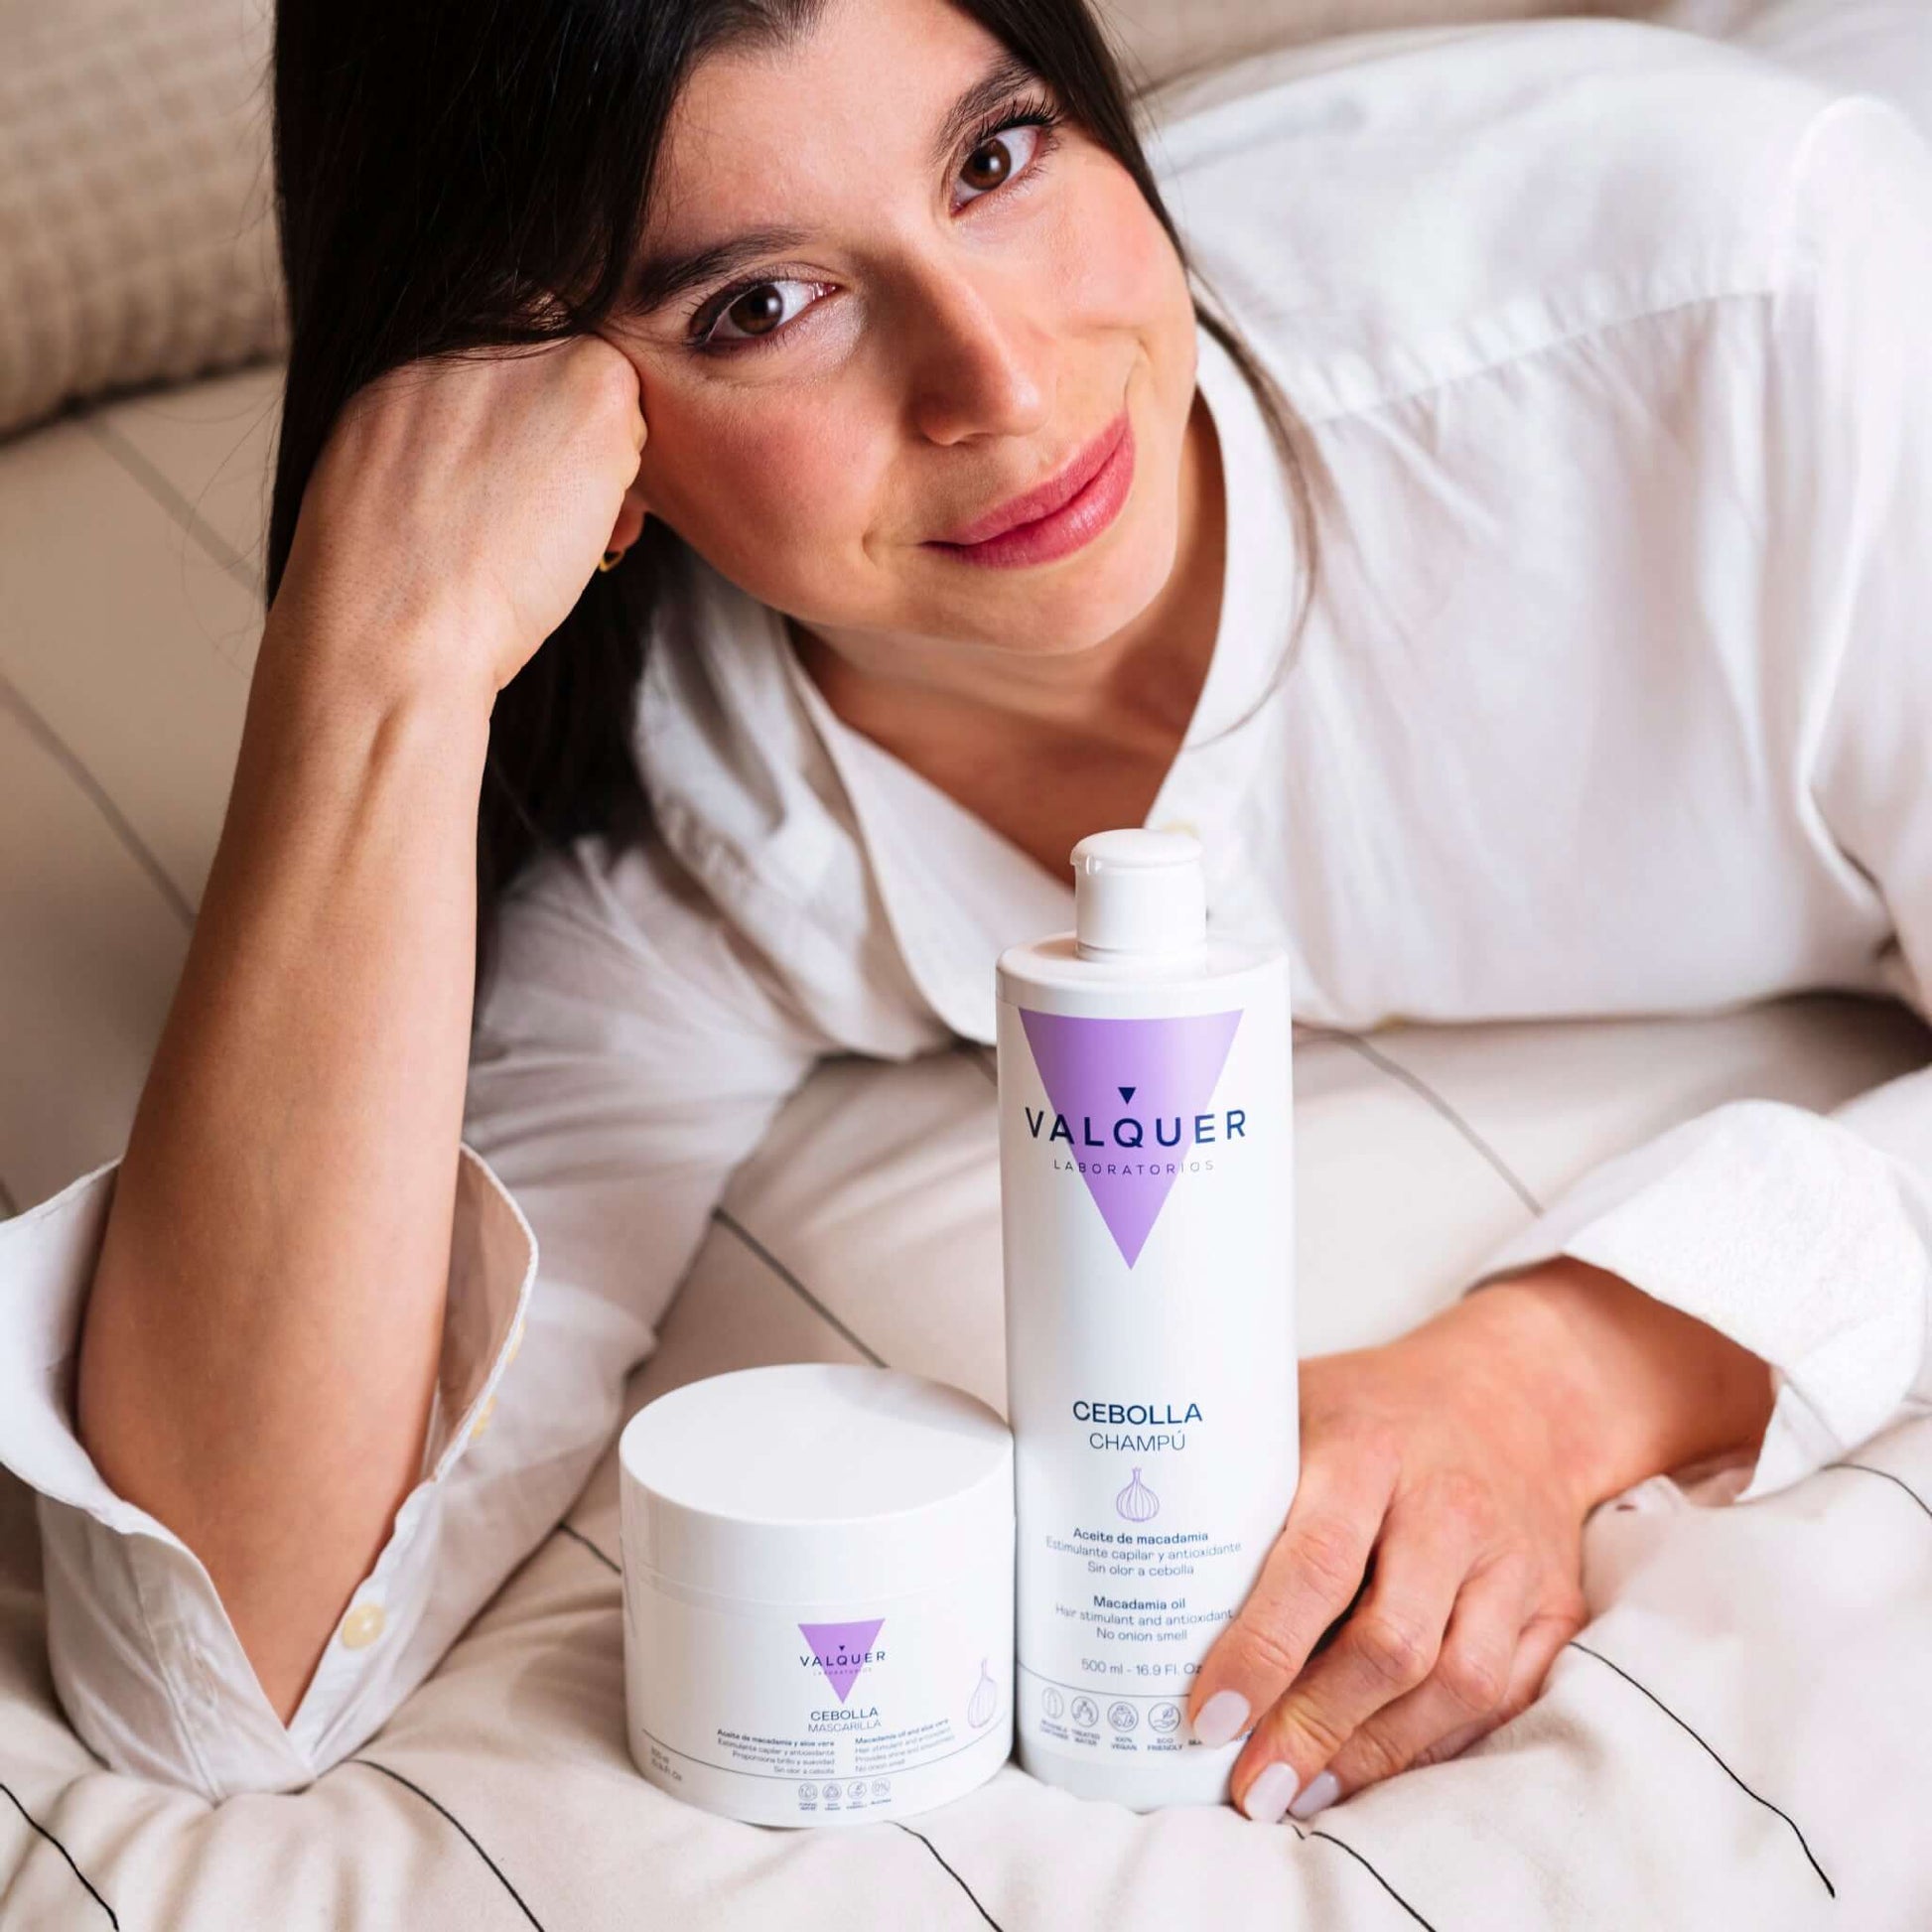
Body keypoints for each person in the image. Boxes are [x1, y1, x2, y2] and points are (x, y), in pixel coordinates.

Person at [2, 0, 1926, 1827]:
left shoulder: (1770, 319)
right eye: (761, 306)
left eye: (995, 157)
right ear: (559, 417)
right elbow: (226, 1667)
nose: (998, 383)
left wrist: (1559, 1372)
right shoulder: (691, 824)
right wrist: (375, 669)